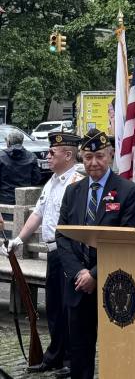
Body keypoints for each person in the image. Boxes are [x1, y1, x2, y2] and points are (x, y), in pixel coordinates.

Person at [56, 129, 135, 379]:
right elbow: (62, 235)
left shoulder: (128, 191)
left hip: (113, 284)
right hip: (78, 285)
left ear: (111, 156)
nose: (94, 163)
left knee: (117, 348)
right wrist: (79, 273)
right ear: (81, 157)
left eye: (100, 156)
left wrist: (95, 273)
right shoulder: (73, 192)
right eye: (88, 157)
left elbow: (126, 239)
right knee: (80, 351)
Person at [1, 129, 83, 376]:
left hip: (71, 251)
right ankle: (55, 355)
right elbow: (37, 214)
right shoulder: (52, 181)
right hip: (53, 252)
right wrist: (19, 239)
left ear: (68, 155)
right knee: (55, 307)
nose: (47, 156)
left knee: (71, 308)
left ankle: (70, 359)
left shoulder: (76, 181)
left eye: (52, 152)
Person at [0, 129, 40, 205]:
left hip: (4, 200)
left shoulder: (1, 156)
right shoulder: (32, 156)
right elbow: (36, 179)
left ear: (8, 142)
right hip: (24, 200)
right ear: (22, 141)